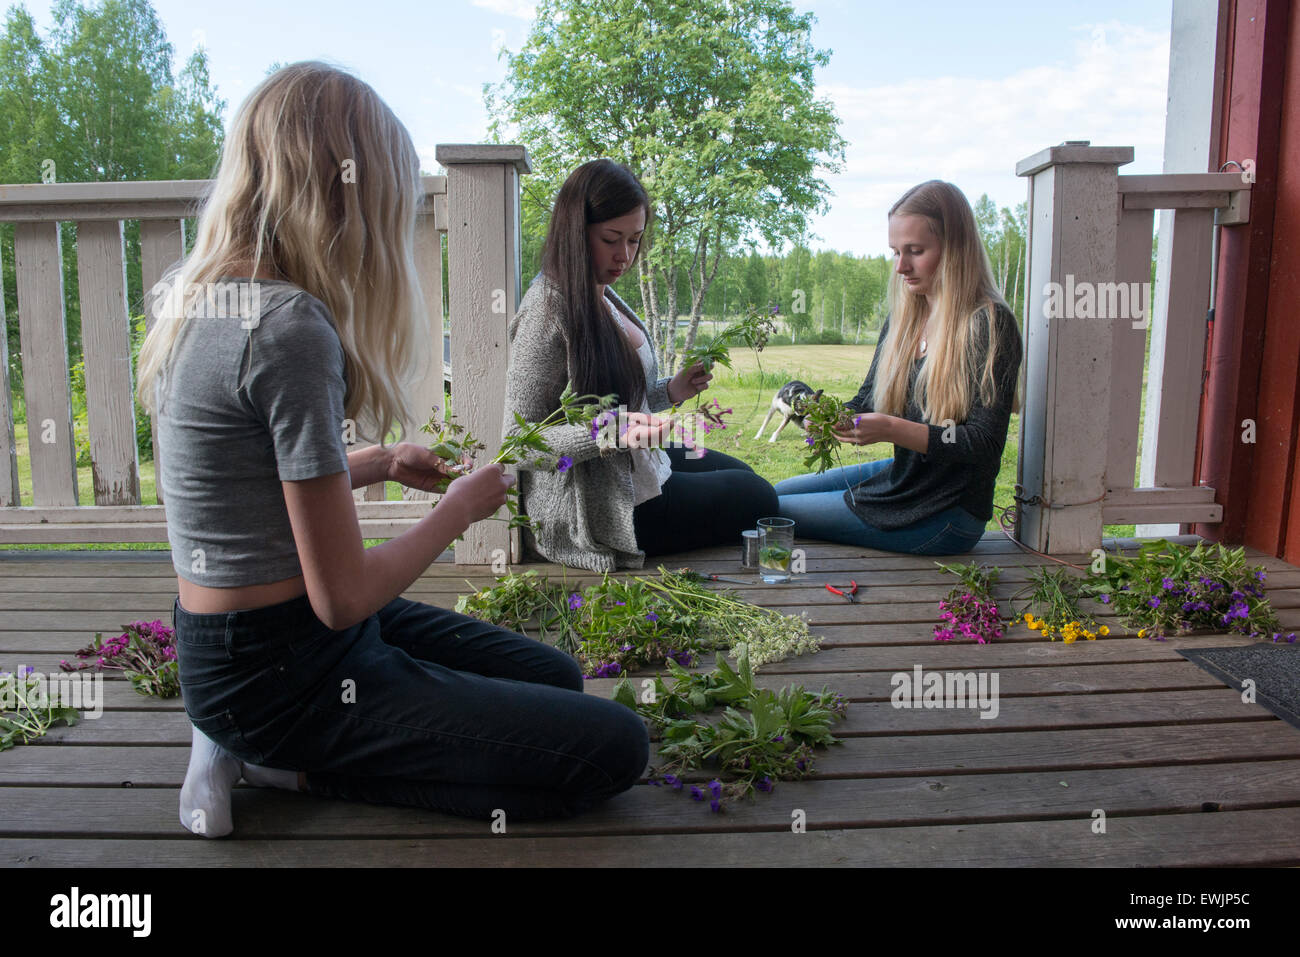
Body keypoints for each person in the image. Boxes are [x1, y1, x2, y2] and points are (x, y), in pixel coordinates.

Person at [136, 63, 648, 838]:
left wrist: (376, 462)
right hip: (287, 668)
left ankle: (234, 729)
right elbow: (342, 595)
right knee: (613, 747)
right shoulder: (288, 327)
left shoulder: (198, 293)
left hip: (241, 643)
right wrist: (459, 508)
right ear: (341, 187)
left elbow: (236, 484)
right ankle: (285, 759)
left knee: (556, 673)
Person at [503, 159, 778, 571]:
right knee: (759, 498)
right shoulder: (548, 310)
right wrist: (608, 433)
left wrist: (670, 391)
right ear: (575, 233)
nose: (624, 256)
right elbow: (517, 444)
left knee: (747, 475)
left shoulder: (602, 293)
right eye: (611, 238)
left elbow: (620, 398)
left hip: (636, 464)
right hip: (601, 507)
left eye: (634, 239)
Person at [775, 180, 1023, 555]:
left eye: (916, 251)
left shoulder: (988, 323)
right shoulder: (907, 317)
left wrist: (892, 428)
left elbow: (983, 444)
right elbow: (867, 400)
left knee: (767, 509)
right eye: (895, 252)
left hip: (945, 515)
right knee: (772, 493)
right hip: (903, 482)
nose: (901, 267)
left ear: (955, 249)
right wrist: (824, 417)